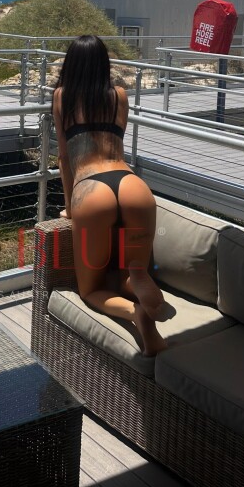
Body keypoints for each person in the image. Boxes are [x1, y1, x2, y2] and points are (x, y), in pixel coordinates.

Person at [52, 34, 173, 356]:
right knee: (127, 269)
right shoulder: (119, 96)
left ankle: (135, 313)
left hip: (92, 189)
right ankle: (137, 278)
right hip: (132, 185)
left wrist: (71, 207)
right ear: (104, 64)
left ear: (71, 64)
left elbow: (64, 157)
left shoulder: (62, 96)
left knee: (90, 289)